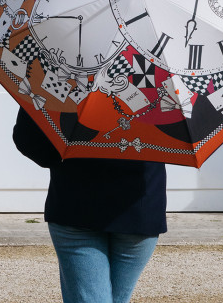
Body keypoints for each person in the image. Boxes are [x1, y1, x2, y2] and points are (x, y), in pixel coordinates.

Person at [13, 106, 167, 303]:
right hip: (139, 206)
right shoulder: (159, 79)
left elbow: (30, 139)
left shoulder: (59, 75)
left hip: (77, 203)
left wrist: (60, 155)